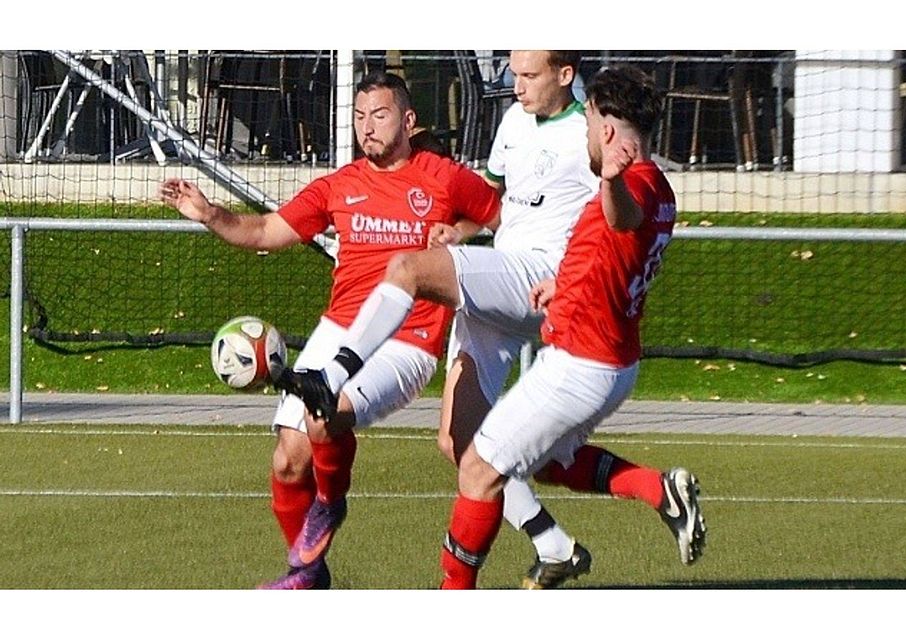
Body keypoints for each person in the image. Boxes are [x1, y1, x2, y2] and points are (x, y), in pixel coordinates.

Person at [159, 71, 501, 589]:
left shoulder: (444, 176)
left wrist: (461, 231)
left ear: (408, 121)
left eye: (380, 115)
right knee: (287, 462)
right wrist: (208, 213)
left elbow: (504, 217)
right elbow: (267, 232)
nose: (368, 127)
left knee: (326, 418)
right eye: (360, 117)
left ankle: (331, 501)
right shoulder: (340, 185)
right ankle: (310, 577)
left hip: (406, 342)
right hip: (338, 330)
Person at [279, 50, 603, 589]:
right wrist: (463, 233)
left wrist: (576, 278)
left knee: (406, 268)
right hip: (502, 272)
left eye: (527, 75)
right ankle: (555, 542)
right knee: (463, 445)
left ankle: (332, 377)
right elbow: (496, 205)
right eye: (513, 73)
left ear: (565, 75)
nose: (514, 85)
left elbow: (610, 216)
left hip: (541, 283)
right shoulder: (514, 121)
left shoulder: (588, 134)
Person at [436, 64, 707, 588]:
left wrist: (609, 182)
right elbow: (616, 253)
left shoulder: (634, 185)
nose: (584, 135)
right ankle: (658, 490)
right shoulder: (660, 186)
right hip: (609, 361)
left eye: (588, 127)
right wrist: (566, 283)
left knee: (477, 468)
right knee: (548, 464)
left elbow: (623, 219)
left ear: (606, 132)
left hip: (579, 363)